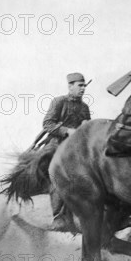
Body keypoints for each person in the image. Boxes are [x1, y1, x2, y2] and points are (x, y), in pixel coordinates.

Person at [43, 72, 91, 231]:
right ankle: (59, 218)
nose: (83, 88)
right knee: (58, 175)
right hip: (56, 146)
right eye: (80, 85)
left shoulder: (85, 108)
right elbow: (48, 124)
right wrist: (67, 131)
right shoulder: (59, 102)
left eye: (84, 85)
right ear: (70, 86)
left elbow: (87, 130)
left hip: (75, 149)